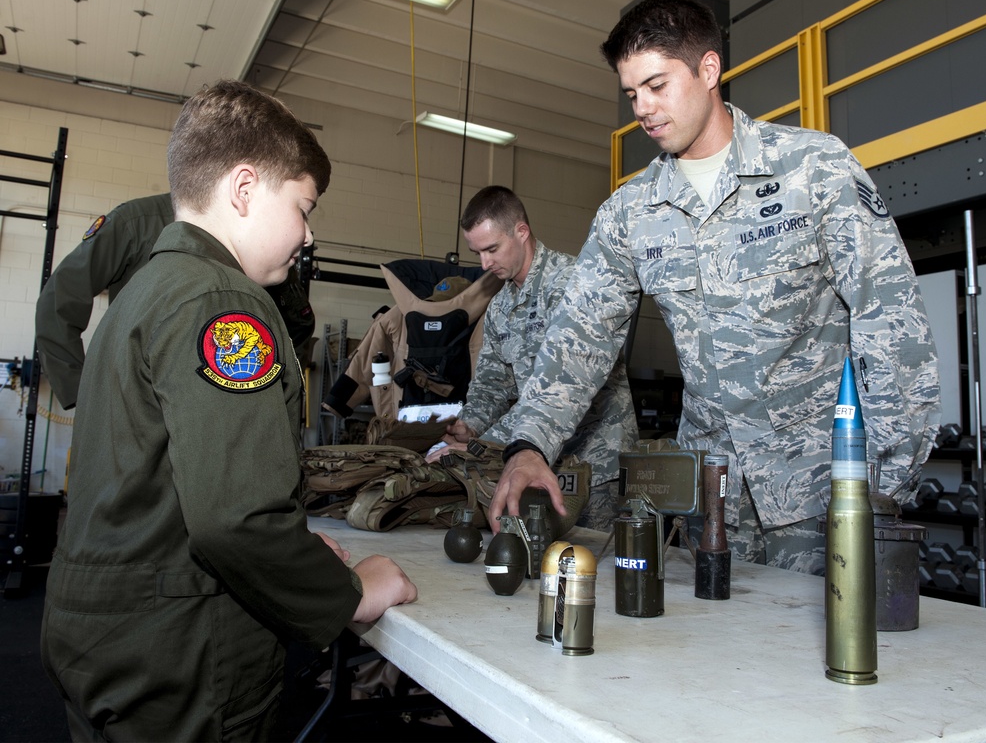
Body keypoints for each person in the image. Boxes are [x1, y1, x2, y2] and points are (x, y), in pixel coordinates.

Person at [489, 0, 941, 575]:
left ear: (708, 70)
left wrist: (882, 485)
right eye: (631, 94)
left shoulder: (813, 169)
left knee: (820, 658)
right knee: (713, 660)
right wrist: (528, 444)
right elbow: (577, 340)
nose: (643, 110)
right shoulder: (630, 213)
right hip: (711, 497)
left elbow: (893, 325)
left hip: (822, 493)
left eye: (656, 86)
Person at [40, 79, 417, 742]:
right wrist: (351, 594)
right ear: (244, 190)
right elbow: (233, 520)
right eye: (303, 207)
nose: (307, 233)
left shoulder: (146, 290)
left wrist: (290, 552)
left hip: (106, 628)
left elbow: (165, 487)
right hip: (177, 649)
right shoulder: (222, 301)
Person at [426, 185, 637, 531]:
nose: (484, 263)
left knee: (595, 567)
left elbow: (562, 386)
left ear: (521, 232)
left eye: (492, 249)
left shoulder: (573, 286)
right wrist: (468, 427)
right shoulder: (500, 307)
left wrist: (482, 447)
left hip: (596, 463)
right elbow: (491, 384)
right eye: (477, 252)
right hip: (537, 462)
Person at [35, 192, 316, 410]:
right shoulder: (136, 223)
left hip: (220, 410)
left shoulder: (256, 238)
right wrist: (82, 395)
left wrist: (268, 394)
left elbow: (298, 322)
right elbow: (58, 302)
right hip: (140, 402)